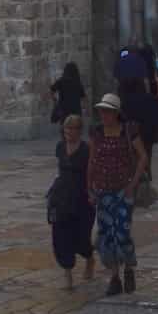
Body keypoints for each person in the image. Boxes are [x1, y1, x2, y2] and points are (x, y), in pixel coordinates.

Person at [86, 92, 147, 297]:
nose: (104, 115)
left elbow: (142, 157)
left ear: (116, 113)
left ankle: (129, 267)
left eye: (107, 112)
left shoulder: (128, 132)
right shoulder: (97, 133)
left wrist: (134, 182)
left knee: (122, 232)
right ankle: (114, 277)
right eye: (102, 111)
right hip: (103, 190)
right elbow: (92, 160)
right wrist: (89, 187)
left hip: (123, 190)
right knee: (106, 234)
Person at [49, 113, 95, 290]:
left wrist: (93, 192)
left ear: (79, 131)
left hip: (82, 197)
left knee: (81, 237)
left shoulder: (86, 149)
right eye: (66, 128)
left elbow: (92, 172)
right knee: (60, 236)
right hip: (62, 197)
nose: (68, 132)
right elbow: (59, 171)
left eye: (72, 129)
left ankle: (89, 259)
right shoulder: (60, 147)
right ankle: (67, 274)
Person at [50, 60, 86, 126]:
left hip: (64, 110)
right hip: (76, 110)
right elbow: (83, 98)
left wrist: (55, 100)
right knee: (75, 129)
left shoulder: (61, 81)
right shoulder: (78, 83)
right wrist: (84, 109)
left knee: (65, 129)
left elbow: (52, 90)